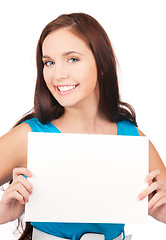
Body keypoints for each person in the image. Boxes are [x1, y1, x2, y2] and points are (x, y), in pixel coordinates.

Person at [0, 12, 166, 240]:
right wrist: (1, 214)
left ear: (102, 64)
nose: (58, 74)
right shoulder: (28, 136)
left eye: (72, 59)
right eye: (49, 62)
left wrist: (164, 213)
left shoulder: (133, 138)